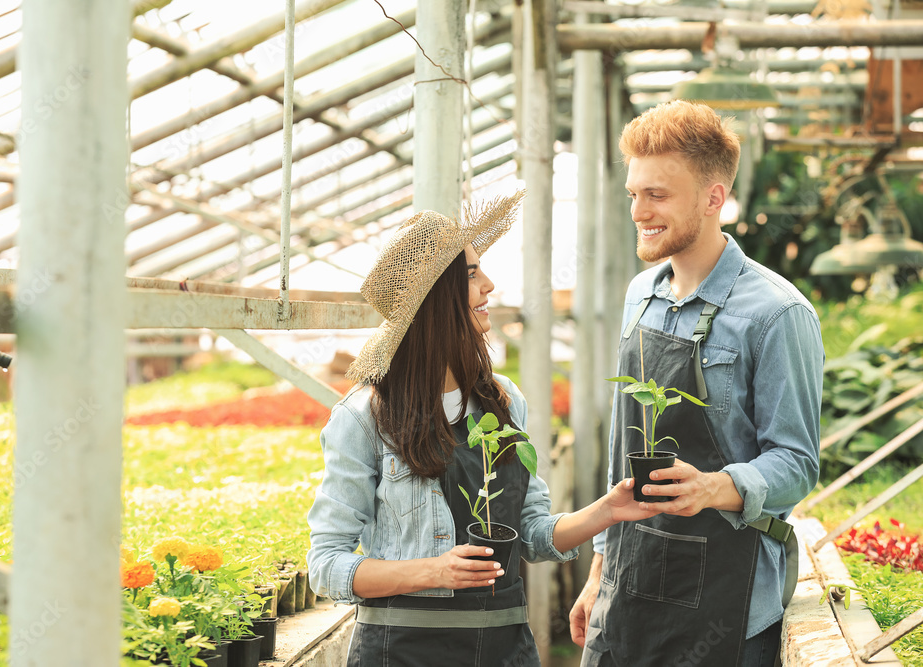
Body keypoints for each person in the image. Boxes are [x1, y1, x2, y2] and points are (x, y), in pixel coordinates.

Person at [307, 191, 659, 666]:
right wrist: (433, 571)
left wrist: (607, 511)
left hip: (502, 647)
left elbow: (531, 535)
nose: (489, 286)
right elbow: (326, 565)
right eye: (472, 275)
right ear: (435, 300)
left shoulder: (504, 402)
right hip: (402, 651)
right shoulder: (366, 417)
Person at [568, 100, 824, 667]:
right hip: (630, 587)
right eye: (634, 193)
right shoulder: (641, 296)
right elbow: (622, 449)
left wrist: (711, 486)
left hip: (728, 604)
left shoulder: (777, 314)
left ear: (714, 198)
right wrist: (599, 571)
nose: (639, 211)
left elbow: (798, 463)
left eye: (657, 195)